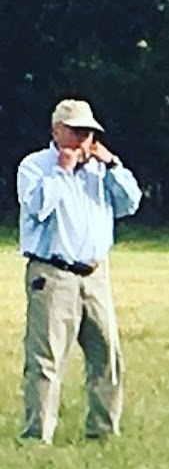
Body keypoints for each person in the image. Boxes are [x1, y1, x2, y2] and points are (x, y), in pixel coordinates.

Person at [16, 98, 142, 444]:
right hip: (53, 275)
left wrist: (113, 164)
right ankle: (36, 436)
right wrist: (63, 170)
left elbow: (130, 203)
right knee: (46, 359)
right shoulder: (35, 166)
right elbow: (38, 206)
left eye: (89, 133)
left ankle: (103, 431)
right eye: (76, 132)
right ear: (57, 131)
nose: (83, 140)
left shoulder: (101, 170)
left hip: (95, 275)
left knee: (107, 356)